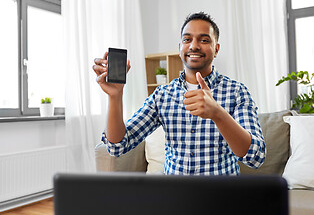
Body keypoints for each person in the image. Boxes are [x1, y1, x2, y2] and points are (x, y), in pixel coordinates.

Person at [93, 12, 265, 175]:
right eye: (187, 39)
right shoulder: (163, 95)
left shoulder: (236, 92)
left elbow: (255, 157)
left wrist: (218, 114)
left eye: (204, 40)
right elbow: (118, 146)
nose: (194, 46)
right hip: (175, 199)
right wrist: (115, 96)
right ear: (180, 47)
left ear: (216, 48)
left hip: (221, 199)